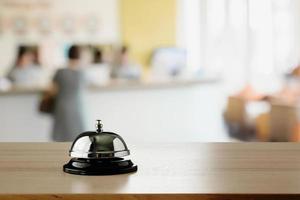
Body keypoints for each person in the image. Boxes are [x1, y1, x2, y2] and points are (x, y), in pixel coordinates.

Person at [50, 45, 87, 141]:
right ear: (80, 56)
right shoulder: (82, 73)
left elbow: (53, 91)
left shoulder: (60, 72)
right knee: (77, 137)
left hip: (62, 107)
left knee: (61, 136)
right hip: (76, 107)